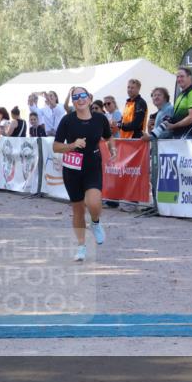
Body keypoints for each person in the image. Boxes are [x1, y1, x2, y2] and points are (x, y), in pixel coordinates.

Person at [53, 86, 116, 262]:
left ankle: (95, 222)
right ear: (72, 101)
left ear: (89, 98)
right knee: (78, 209)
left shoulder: (100, 119)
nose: (80, 99)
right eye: (75, 97)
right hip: (72, 170)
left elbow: (109, 136)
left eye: (82, 96)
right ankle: (81, 246)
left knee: (94, 203)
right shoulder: (67, 120)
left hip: (92, 166)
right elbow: (56, 146)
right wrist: (72, 145)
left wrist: (112, 147)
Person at [161, 67, 192, 139]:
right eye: (177, 77)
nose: (179, 79)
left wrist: (174, 125)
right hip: (179, 135)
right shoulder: (181, 94)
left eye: (182, 76)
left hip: (190, 135)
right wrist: (170, 120)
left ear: (189, 77)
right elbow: (179, 115)